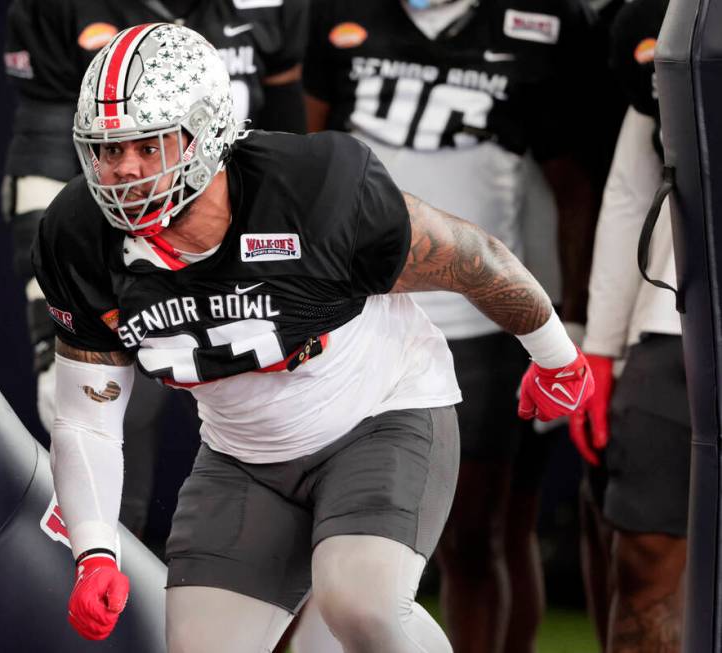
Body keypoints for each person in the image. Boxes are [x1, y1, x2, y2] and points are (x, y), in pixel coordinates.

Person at [32, 23, 594, 652]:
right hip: (243, 457)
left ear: (204, 131)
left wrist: (556, 357)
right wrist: (96, 551)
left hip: (379, 415)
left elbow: (473, 258)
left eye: (149, 144)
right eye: (108, 150)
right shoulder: (77, 237)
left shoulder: (310, 191)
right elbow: (87, 417)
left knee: (362, 603)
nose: (124, 171)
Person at [302, 0, 604, 651]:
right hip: (352, 317)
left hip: (477, 321)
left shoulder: (541, 22)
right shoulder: (337, 14)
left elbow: (576, 184)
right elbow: (301, 161)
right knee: (318, 531)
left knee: (476, 536)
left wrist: (570, 321)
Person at [2, 0, 309, 538]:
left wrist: (297, 236)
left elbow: (290, 132)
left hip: (242, 236)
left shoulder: (272, 9)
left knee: (290, 433)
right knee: (102, 431)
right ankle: (108, 575)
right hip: (128, 247)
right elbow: (46, 155)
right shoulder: (64, 10)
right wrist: (53, 302)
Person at [571, 0, 687, 649]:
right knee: (642, 557)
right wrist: (602, 347)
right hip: (671, 316)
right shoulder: (659, 20)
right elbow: (631, 186)